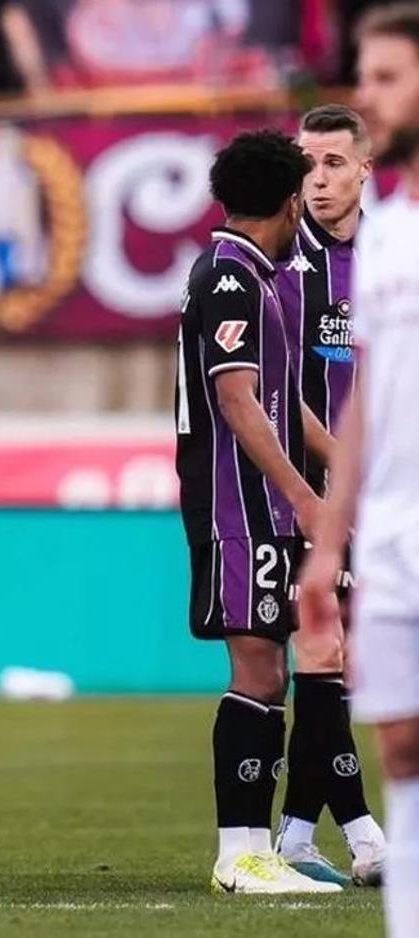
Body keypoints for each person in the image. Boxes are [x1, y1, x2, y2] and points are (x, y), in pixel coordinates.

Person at [175, 128, 341, 894]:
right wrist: (307, 498)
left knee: (271, 667)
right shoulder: (232, 279)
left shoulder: (253, 277)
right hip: (235, 508)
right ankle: (238, 853)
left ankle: (254, 850)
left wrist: (342, 466)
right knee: (259, 668)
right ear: (286, 201)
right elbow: (239, 403)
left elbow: (284, 399)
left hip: (262, 507)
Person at [298, 4, 419, 932]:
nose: (369, 96)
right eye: (364, 78)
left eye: (385, 78)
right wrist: (328, 540)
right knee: (401, 740)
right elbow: (368, 394)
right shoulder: (381, 235)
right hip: (384, 531)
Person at [273, 103, 387, 888]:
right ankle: (365, 832)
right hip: (307, 488)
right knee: (328, 652)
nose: (317, 179)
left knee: (342, 660)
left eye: (333, 164)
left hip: (382, 485)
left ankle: (290, 833)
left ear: (365, 168)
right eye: (306, 164)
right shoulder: (281, 260)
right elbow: (272, 384)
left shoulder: (392, 254)